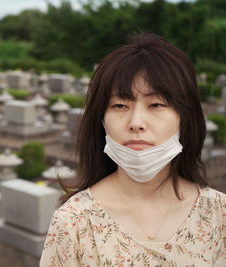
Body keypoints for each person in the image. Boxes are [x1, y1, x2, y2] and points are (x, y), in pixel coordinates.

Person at [40, 33, 226, 266]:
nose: (136, 122)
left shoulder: (219, 214)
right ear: (101, 120)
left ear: (185, 118)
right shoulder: (73, 223)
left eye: (156, 104)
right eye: (120, 105)